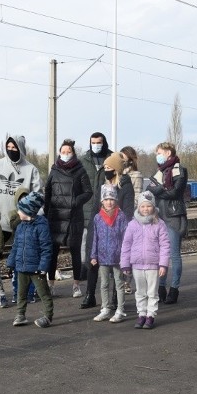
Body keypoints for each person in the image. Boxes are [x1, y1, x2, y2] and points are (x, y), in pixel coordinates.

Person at [0, 134, 41, 298]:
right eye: (8, 148)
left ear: (21, 148)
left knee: (25, 254)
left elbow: (38, 195)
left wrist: (34, 215)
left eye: (14, 148)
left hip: (22, 220)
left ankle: (26, 289)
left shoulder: (31, 170)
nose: (11, 150)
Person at [81, 149, 135, 309]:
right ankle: (90, 294)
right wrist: (92, 228)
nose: (106, 169)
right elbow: (95, 209)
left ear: (116, 168)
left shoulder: (125, 186)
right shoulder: (102, 186)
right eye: (104, 166)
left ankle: (114, 298)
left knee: (115, 268)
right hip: (99, 228)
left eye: (108, 166)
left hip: (116, 231)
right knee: (92, 263)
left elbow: (128, 211)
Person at [44, 139, 93, 298]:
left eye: (68, 152)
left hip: (74, 219)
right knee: (52, 253)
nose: (65, 155)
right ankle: (51, 284)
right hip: (56, 218)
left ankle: (76, 285)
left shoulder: (80, 171)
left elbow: (88, 192)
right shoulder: (54, 171)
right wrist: (45, 214)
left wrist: (75, 202)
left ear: (73, 153)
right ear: (59, 153)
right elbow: (47, 194)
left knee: (75, 253)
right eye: (63, 152)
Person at [120, 192, 170, 330]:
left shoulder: (159, 224)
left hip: (153, 265)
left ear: (153, 207)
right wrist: (125, 264)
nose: (146, 209)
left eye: (149, 206)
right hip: (137, 264)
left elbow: (165, 245)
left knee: (152, 292)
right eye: (143, 206)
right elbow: (126, 244)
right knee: (140, 291)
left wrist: (163, 264)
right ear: (138, 207)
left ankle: (150, 315)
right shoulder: (132, 225)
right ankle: (141, 313)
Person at [147, 142, 188, 305]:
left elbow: (175, 192)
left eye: (159, 152)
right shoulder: (160, 171)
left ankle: (174, 289)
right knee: (159, 254)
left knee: (174, 255)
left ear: (168, 152)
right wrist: (159, 189)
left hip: (173, 216)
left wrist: (158, 190)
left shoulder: (179, 170)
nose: (157, 155)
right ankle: (161, 287)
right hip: (159, 216)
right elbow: (151, 188)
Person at [78, 131, 115, 308]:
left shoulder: (112, 158)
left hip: (110, 213)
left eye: (99, 142)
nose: (96, 145)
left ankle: (114, 297)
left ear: (104, 142)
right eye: (93, 142)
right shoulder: (83, 161)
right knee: (91, 256)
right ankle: (90, 295)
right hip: (89, 212)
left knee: (113, 257)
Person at [6, 192, 54, 328]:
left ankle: (48, 316)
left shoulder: (41, 226)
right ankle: (20, 314)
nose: (18, 212)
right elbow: (15, 247)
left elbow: (46, 248)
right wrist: (10, 264)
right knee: (21, 293)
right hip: (22, 267)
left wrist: (43, 267)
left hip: (36, 269)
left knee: (43, 292)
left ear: (29, 211)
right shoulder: (20, 227)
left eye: (20, 209)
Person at [90, 185, 129, 323]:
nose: (109, 202)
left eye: (112, 199)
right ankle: (105, 308)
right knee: (104, 284)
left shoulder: (121, 216)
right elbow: (95, 238)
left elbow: (126, 237)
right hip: (102, 256)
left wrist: (126, 255)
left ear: (116, 200)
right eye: (106, 199)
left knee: (119, 283)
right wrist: (93, 255)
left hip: (118, 257)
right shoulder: (97, 218)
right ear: (102, 201)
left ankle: (120, 309)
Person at [119, 146, 143, 294]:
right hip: (117, 216)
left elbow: (137, 196)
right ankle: (120, 281)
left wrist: (127, 210)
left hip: (130, 215)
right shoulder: (118, 173)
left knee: (128, 250)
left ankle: (127, 282)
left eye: (123, 156)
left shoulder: (136, 175)